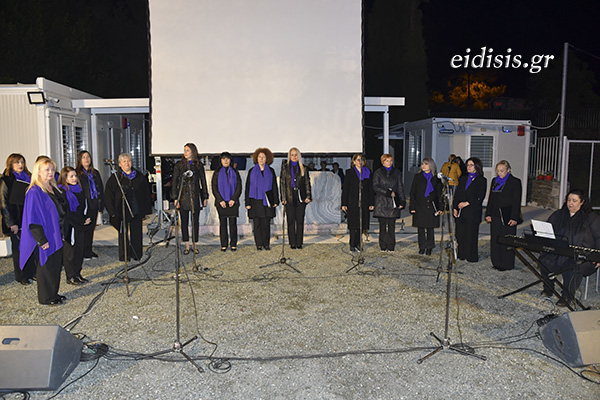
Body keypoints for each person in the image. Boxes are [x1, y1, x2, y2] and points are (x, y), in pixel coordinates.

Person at [539, 189, 600, 306]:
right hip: (560, 251)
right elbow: (547, 229)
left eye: (574, 201)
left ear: (582, 202)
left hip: (583, 256)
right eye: (568, 200)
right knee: (545, 260)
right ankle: (548, 288)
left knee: (572, 267)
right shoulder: (559, 215)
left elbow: (599, 237)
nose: (570, 203)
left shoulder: (591, 218)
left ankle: (567, 296)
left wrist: (597, 257)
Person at [19, 157, 67, 305]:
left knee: (55, 265)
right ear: (38, 171)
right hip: (45, 235)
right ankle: (46, 298)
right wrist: (41, 240)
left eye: (52, 169)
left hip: (56, 233)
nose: (50, 172)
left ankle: (54, 293)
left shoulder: (53, 188)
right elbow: (32, 219)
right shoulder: (35, 191)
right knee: (46, 267)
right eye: (47, 169)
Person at [104, 153, 152, 261]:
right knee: (123, 234)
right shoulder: (116, 178)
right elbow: (108, 196)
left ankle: (136, 254)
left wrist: (146, 210)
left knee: (137, 233)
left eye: (129, 161)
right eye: (124, 161)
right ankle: (125, 256)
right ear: (120, 164)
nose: (127, 163)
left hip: (136, 209)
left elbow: (146, 193)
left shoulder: (139, 176)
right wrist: (112, 212)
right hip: (121, 210)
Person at [1, 153, 37, 284]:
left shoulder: (29, 178)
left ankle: (31, 272)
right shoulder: (6, 180)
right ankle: (21, 276)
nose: (20, 165)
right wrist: (11, 223)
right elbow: (3, 203)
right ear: (10, 164)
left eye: (22, 162)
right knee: (19, 249)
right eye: (17, 162)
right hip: (15, 220)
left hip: (29, 218)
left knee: (31, 246)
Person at [485, 160, 522, 271]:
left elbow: (516, 201)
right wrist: (488, 213)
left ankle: (506, 263)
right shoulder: (495, 181)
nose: (499, 173)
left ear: (508, 170)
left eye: (502, 171)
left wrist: (514, 217)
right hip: (496, 213)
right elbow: (491, 198)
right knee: (496, 238)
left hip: (508, 214)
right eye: (498, 171)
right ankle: (496, 262)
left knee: (507, 239)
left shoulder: (515, 182)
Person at [171, 143, 209, 255]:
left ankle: (194, 245)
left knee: (195, 222)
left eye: (187, 150)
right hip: (183, 197)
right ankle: (187, 246)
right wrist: (175, 198)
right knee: (184, 222)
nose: (185, 152)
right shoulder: (179, 165)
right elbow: (175, 182)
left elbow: (203, 182)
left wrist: (205, 196)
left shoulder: (198, 165)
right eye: (184, 150)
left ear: (193, 151)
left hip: (195, 197)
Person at [58, 167, 92, 284]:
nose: (74, 178)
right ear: (65, 178)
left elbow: (83, 207)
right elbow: (65, 212)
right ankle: (70, 276)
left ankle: (77, 273)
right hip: (69, 226)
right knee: (70, 253)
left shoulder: (79, 189)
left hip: (79, 225)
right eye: (71, 176)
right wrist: (81, 220)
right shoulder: (62, 191)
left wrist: (86, 218)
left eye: (75, 176)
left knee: (79, 251)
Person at [453, 157, 487, 262]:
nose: (469, 167)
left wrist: (467, 203)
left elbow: (480, 196)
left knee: (470, 234)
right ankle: (462, 254)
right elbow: (457, 194)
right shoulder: (463, 178)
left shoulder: (481, 180)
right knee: (460, 233)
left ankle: (471, 256)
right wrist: (455, 208)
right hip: (461, 211)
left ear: (477, 166)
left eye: (471, 165)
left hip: (472, 211)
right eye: (467, 165)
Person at [245, 148, 279, 250]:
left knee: (266, 224)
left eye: (263, 157)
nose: (261, 159)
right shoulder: (251, 171)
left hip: (267, 201)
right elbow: (248, 187)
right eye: (259, 157)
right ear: (256, 158)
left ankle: (266, 244)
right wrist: (247, 202)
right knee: (257, 225)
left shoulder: (271, 171)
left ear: (267, 159)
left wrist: (276, 200)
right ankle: (259, 244)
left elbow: (274, 187)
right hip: (255, 201)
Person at [280, 147, 312, 249]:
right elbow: (282, 183)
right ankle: (292, 243)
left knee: (300, 221)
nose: (294, 157)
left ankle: (299, 243)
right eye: (292, 155)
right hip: (289, 196)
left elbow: (307, 182)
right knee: (290, 221)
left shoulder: (304, 168)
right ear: (289, 156)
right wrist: (283, 197)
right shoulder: (285, 168)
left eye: (296, 155)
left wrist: (308, 196)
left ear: (299, 156)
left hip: (300, 197)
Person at [341, 153, 374, 252]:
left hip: (364, 201)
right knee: (353, 224)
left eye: (361, 160)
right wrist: (344, 203)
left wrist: (372, 202)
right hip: (352, 201)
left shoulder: (368, 172)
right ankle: (352, 244)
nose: (360, 162)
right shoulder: (349, 172)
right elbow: (345, 189)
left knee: (361, 224)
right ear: (354, 162)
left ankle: (359, 243)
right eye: (358, 160)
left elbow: (371, 189)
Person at [372, 154, 405, 252]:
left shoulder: (397, 172)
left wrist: (402, 200)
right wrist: (387, 193)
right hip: (381, 201)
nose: (389, 163)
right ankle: (382, 245)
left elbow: (400, 187)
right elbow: (375, 186)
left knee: (391, 225)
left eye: (391, 160)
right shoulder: (378, 173)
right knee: (382, 225)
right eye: (387, 161)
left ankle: (391, 245)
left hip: (393, 202)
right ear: (383, 162)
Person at [410, 157, 442, 255]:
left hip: (432, 205)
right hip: (420, 205)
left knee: (430, 227)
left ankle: (429, 247)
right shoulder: (418, 177)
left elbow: (439, 194)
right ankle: (422, 246)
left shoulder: (436, 178)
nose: (423, 166)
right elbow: (413, 192)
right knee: (421, 227)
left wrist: (440, 207)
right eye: (422, 164)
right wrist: (412, 206)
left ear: (431, 166)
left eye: (426, 164)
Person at [211, 152, 242, 252]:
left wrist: (233, 199)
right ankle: (224, 244)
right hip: (221, 203)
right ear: (220, 160)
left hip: (233, 202)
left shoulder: (235, 172)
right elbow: (214, 187)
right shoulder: (216, 172)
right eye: (223, 158)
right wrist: (220, 200)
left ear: (230, 160)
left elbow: (239, 187)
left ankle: (233, 244)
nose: (225, 160)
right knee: (223, 223)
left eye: (227, 158)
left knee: (233, 223)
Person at [76, 150, 104, 259]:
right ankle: (82, 251)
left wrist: (101, 204)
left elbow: (100, 188)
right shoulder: (78, 173)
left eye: (88, 157)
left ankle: (88, 250)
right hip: (84, 205)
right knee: (84, 229)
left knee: (91, 229)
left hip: (94, 203)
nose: (86, 159)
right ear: (80, 160)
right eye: (83, 157)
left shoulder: (95, 172)